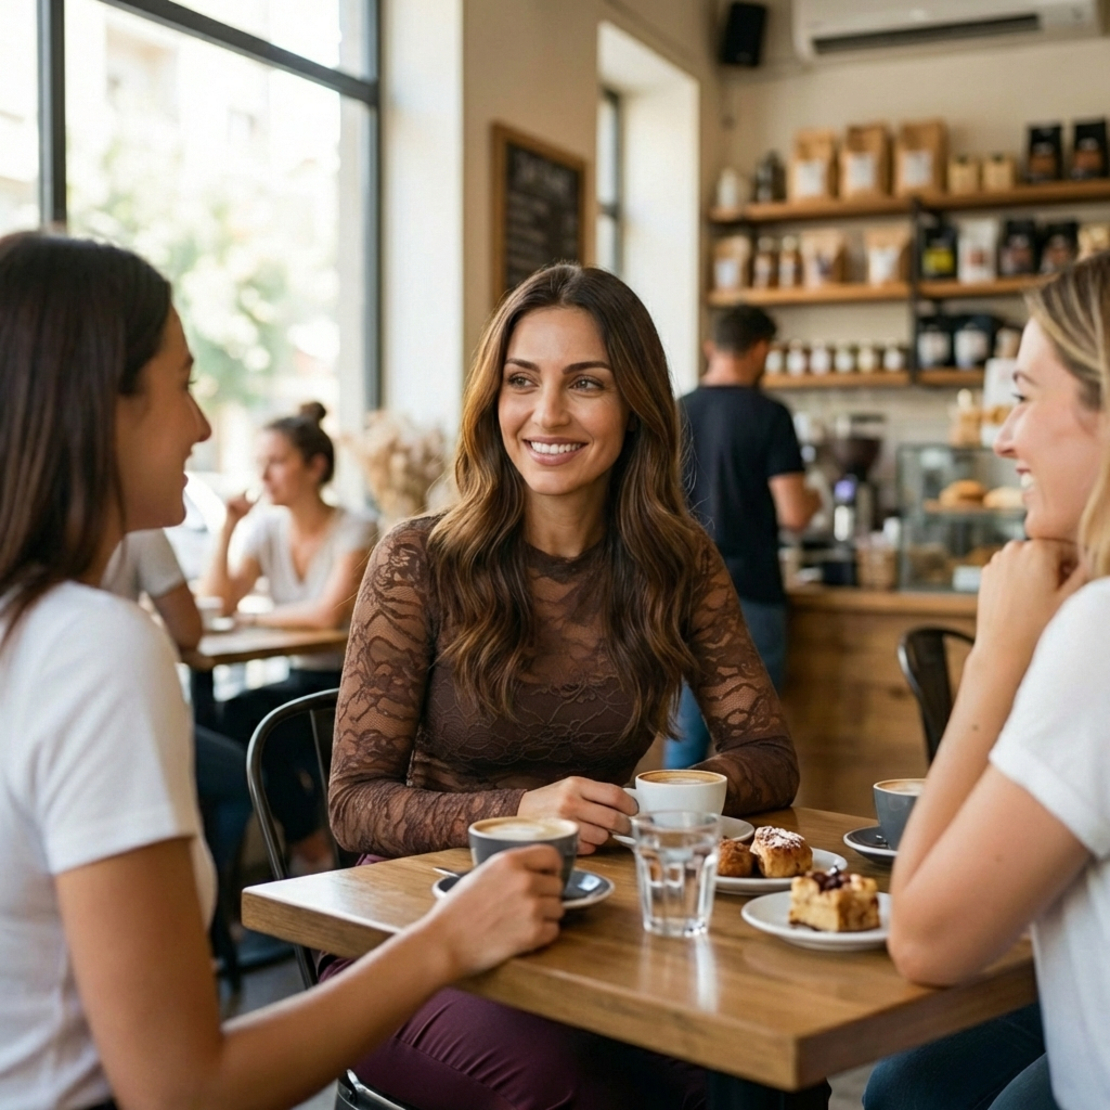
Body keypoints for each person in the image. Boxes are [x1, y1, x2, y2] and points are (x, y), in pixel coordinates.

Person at [0, 230, 566, 1110]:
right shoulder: (91, 646)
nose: (198, 422)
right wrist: (448, 938)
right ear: (93, 402)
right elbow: (181, 1085)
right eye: (183, 383)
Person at [325, 263, 801, 1110]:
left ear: (636, 408)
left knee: (767, 1075)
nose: (547, 415)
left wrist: (657, 803)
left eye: (586, 383)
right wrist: (525, 812)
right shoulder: (417, 558)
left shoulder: (678, 561)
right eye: (521, 382)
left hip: (588, 915)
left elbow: (769, 755)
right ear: (492, 400)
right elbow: (355, 803)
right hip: (407, 925)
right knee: (566, 1089)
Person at [868, 251, 1110, 1110]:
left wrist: (996, 656)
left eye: (1023, 396)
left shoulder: (1099, 632)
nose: (1002, 437)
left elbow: (926, 940)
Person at [200, 403, 376, 870]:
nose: (264, 475)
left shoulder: (355, 527)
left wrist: (256, 619)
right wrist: (228, 527)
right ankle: (308, 842)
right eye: (260, 463)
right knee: (232, 718)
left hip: (349, 686)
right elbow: (219, 602)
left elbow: (326, 616)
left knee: (254, 722)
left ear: (315, 466)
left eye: (276, 462)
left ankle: (312, 845)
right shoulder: (264, 528)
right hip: (303, 679)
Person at [665, 305, 820, 771]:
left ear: (713, 348)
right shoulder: (769, 415)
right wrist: (816, 497)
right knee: (750, 741)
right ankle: (740, 841)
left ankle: (672, 836)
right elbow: (794, 513)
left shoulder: (676, 411)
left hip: (680, 588)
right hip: (752, 590)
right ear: (760, 349)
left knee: (685, 735)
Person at [101, 528, 252, 874]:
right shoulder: (139, 527)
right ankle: (214, 908)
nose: (184, 473)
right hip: (125, 728)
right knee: (240, 773)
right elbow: (188, 630)